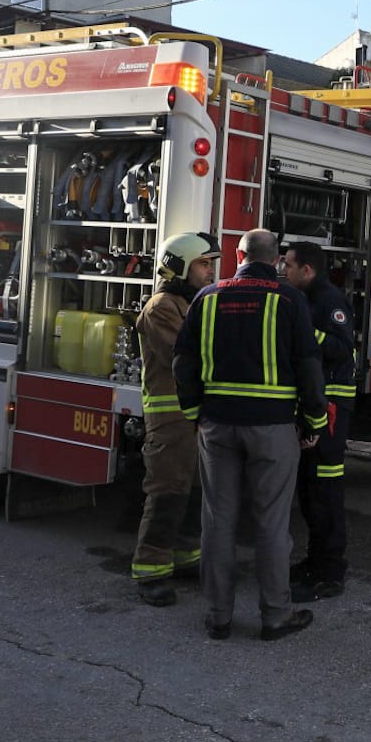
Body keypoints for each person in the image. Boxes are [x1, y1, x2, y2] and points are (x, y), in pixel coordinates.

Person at [174, 228, 326, 642]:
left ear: (239, 255)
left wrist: (193, 414)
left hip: (217, 424)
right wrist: (314, 422)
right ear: (276, 260)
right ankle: (275, 616)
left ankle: (218, 616)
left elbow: (183, 361)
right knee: (271, 524)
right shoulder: (291, 299)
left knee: (218, 521)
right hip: (273, 427)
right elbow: (310, 367)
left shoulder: (207, 298)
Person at [130, 231, 217, 605]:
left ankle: (185, 557)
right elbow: (189, 353)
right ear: (179, 265)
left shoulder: (191, 303)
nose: (211, 271)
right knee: (167, 493)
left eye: (212, 263)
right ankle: (150, 570)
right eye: (203, 263)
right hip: (169, 419)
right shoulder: (162, 307)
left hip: (194, 418)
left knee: (193, 490)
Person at [279, 241, 355, 600]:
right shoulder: (304, 298)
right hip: (315, 405)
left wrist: (303, 333)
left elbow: (342, 348)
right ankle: (314, 561)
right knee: (310, 491)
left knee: (325, 491)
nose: (284, 271)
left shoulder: (329, 300)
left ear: (306, 269)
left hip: (333, 407)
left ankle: (330, 572)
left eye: (289, 266)